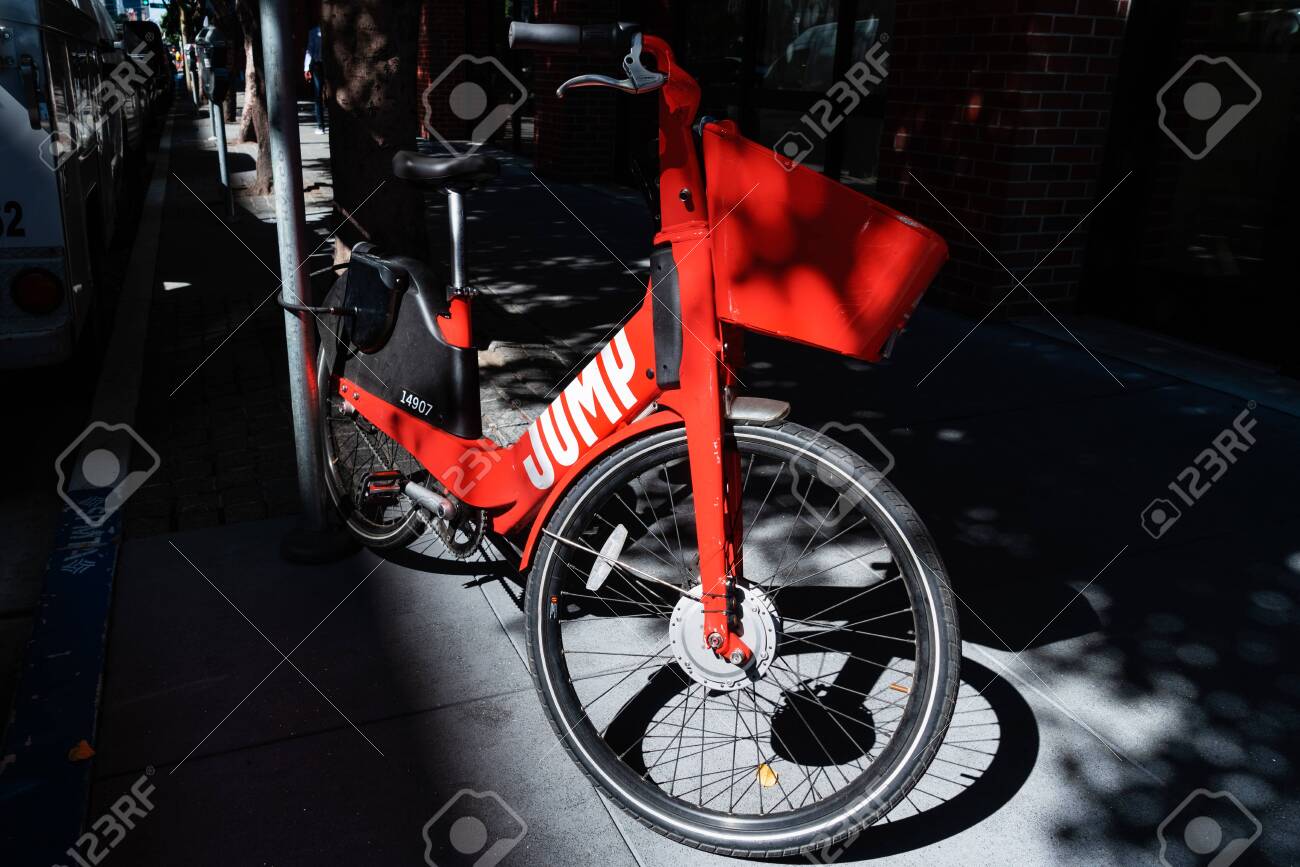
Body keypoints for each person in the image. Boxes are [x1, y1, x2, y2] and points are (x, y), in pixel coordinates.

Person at [303, 24, 326, 134]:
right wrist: (306, 68)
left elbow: (310, 50)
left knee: (319, 96)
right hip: (320, 65)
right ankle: (321, 125)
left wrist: (306, 68)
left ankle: (321, 126)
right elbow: (310, 50)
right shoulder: (314, 32)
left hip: (323, 65)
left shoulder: (315, 32)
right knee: (319, 96)